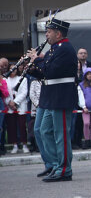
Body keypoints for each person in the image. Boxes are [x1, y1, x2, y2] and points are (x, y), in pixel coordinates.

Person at [27, 18, 77, 182]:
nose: (46, 34)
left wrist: (38, 59)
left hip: (61, 97)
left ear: (58, 33)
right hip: (51, 96)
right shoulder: (53, 50)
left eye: (49, 32)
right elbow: (45, 73)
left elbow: (52, 70)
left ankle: (64, 170)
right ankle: (55, 164)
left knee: (60, 135)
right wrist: (33, 68)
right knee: (43, 130)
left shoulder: (65, 49)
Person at [4, 65, 30, 154]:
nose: (13, 70)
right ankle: (14, 145)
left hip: (20, 105)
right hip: (9, 106)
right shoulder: (5, 80)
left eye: (15, 68)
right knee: (12, 126)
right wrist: (10, 103)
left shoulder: (23, 79)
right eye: (11, 68)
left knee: (22, 126)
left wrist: (15, 102)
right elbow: (5, 93)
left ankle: (24, 145)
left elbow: (24, 92)